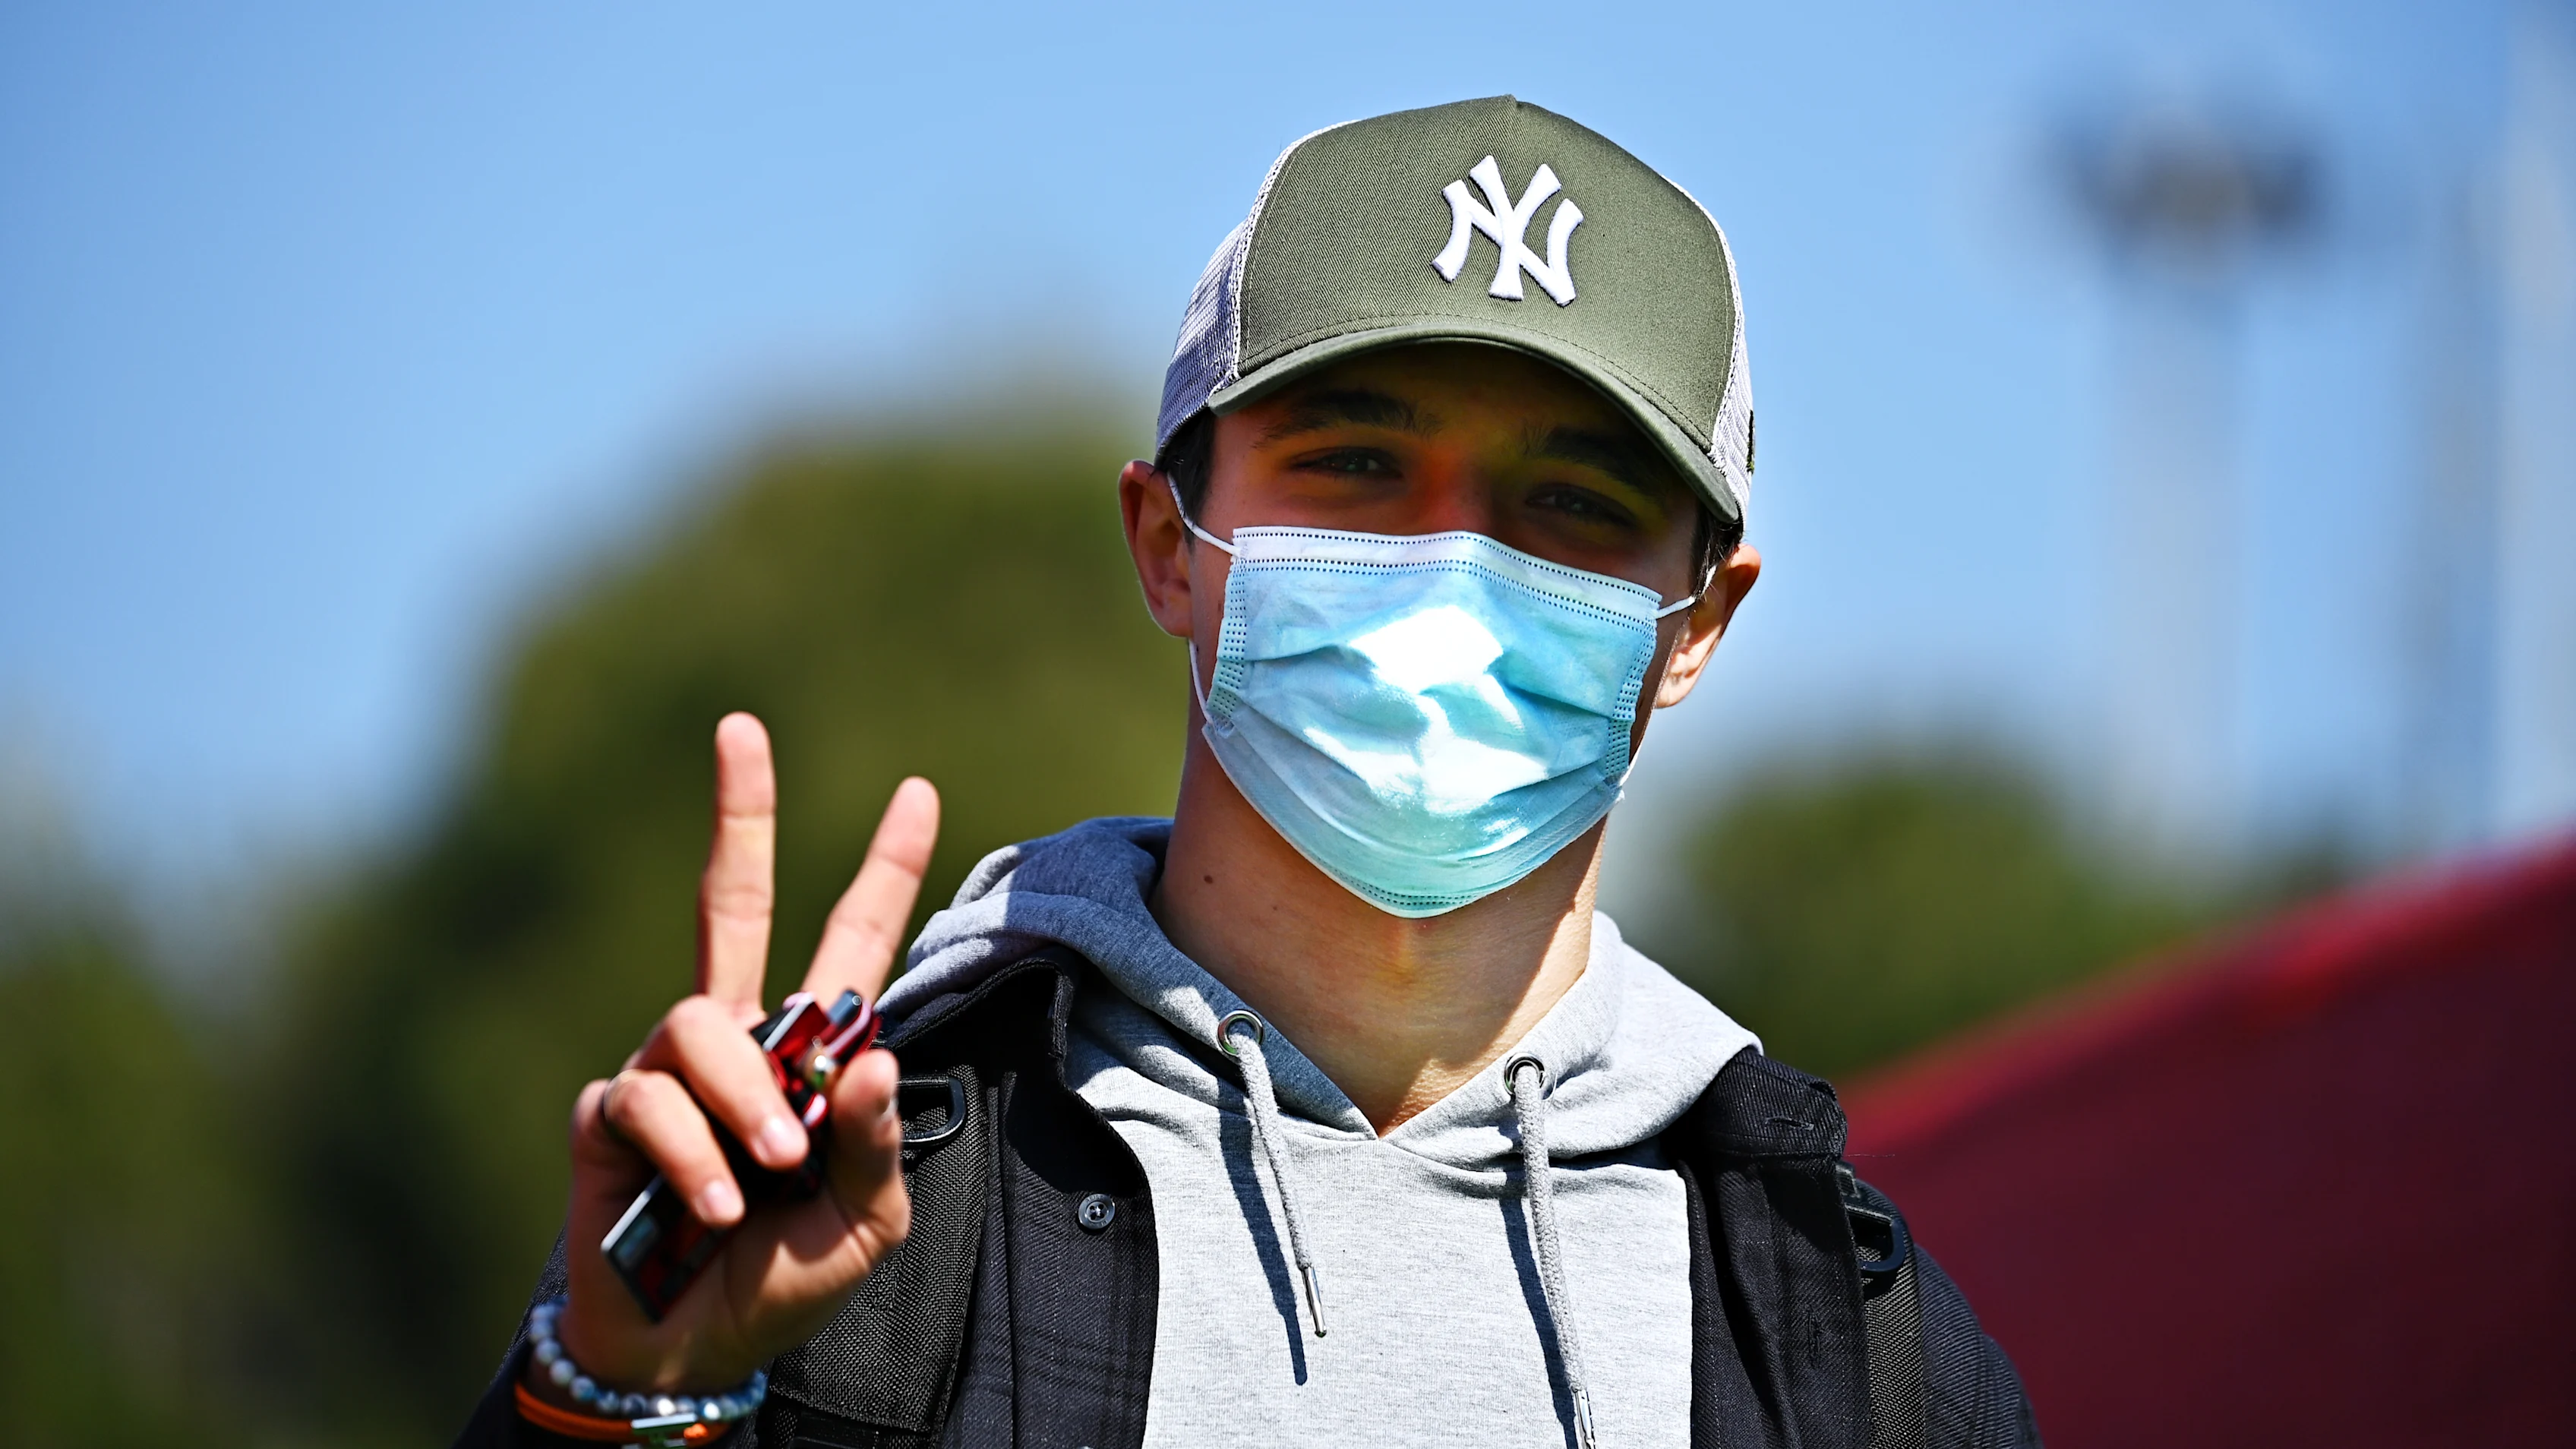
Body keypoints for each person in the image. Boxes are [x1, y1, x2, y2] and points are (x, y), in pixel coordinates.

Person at [456, 96, 2037, 1449]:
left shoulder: (1853, 1345)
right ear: (1168, 546)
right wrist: (620, 1399)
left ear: (1697, 625)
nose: (1448, 564)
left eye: (1569, 498)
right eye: (1356, 464)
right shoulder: (840, 1220)